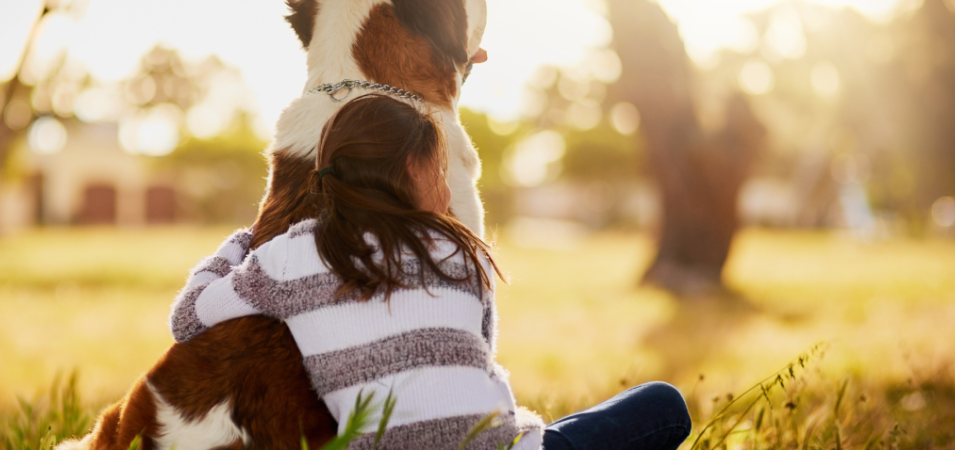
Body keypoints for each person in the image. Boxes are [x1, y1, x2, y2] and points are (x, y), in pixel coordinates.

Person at [170, 93, 692, 450]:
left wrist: (240, 244)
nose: (446, 191)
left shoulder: (287, 257)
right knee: (664, 406)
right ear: (411, 169)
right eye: (440, 172)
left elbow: (187, 317)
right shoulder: (458, 248)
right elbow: (481, 368)